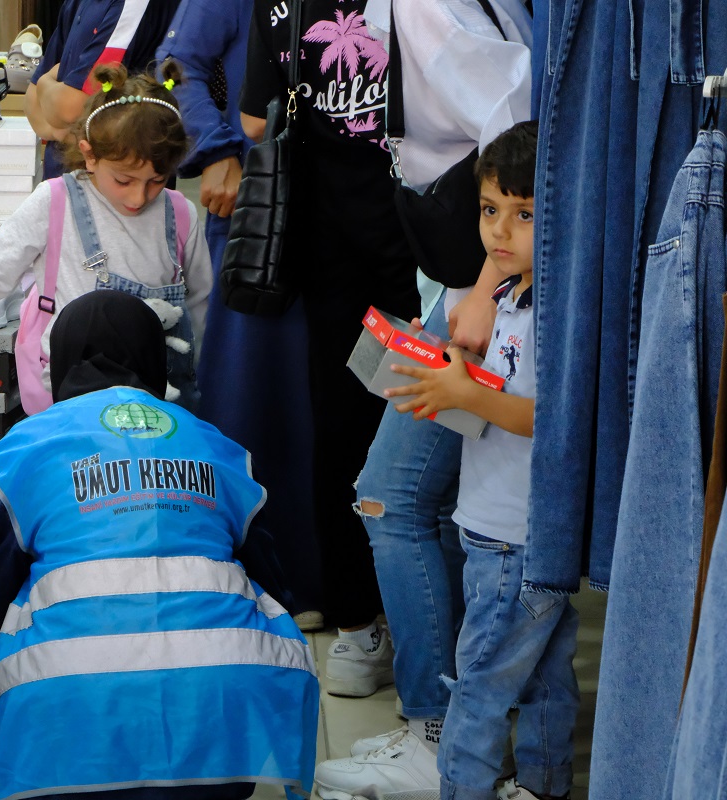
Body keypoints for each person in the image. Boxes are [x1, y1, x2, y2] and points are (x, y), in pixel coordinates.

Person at [0, 290, 320, 800]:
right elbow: (270, 579)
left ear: (62, 359)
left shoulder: (19, 451)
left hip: (68, 707)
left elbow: (0, 592)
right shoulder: (218, 445)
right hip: (223, 706)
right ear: (157, 358)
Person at [314, 0, 534, 795]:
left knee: (389, 497)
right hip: (461, 272)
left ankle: (435, 735)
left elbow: (517, 122)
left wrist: (483, 288)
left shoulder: (426, 5)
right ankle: (455, 729)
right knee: (426, 503)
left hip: (479, 279)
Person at [379, 121, 578, 800]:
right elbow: (495, 389)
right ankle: (544, 785)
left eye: (524, 213)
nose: (500, 231)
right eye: (491, 210)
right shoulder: (506, 295)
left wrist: (464, 389)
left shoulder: (558, 311)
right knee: (547, 674)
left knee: (479, 685)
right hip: (511, 525)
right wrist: (441, 365)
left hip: (513, 535)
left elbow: (548, 419)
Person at [239, 0, 421, 683]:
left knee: (342, 433)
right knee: (449, 433)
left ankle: (358, 628)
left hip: (333, 253)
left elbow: (257, 118)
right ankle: (434, 631)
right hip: (432, 244)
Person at [156, 0, 323, 624]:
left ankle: (330, 583)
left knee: (327, 406)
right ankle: (259, 577)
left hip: (348, 215)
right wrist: (214, 148)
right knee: (251, 403)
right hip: (258, 216)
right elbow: (173, 68)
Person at [0, 63, 212, 415]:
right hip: (62, 400)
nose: (137, 198)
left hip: (156, 404)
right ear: (89, 155)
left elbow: (199, 313)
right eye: (124, 180)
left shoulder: (180, 215)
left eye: (156, 181)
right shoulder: (55, 201)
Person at [27, 0, 182, 179]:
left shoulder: (131, 5)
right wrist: (58, 131)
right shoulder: (77, 3)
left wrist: (46, 83)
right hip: (64, 181)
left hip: (119, 188)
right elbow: (31, 103)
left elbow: (70, 108)